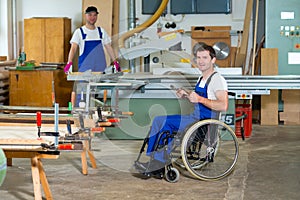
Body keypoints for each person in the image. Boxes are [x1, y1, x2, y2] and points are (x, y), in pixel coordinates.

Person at [134, 43, 228, 174]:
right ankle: (154, 158)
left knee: (166, 124)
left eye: (205, 58)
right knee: (158, 120)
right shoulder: (202, 78)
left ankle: (159, 162)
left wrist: (199, 99)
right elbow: (198, 97)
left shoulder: (217, 79)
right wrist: (186, 93)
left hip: (203, 122)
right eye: (199, 58)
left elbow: (223, 105)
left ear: (213, 60)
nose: (201, 61)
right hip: (195, 117)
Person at [64, 6, 120, 73]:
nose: (92, 17)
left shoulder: (101, 32)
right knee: (84, 83)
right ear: (85, 15)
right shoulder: (79, 32)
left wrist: (115, 62)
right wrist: (69, 62)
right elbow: (73, 48)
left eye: (95, 15)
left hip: (100, 68)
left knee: (100, 83)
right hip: (85, 67)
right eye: (90, 15)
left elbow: (109, 47)